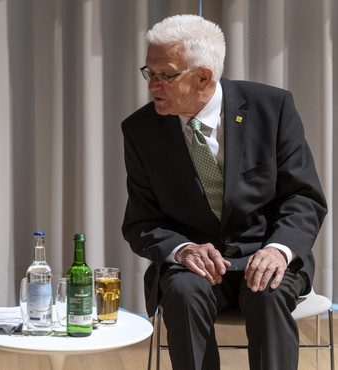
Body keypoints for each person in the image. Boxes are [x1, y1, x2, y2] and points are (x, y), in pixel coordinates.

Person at [121, 14, 327, 370]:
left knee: (270, 290)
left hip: (264, 253)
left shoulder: (271, 108)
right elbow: (141, 221)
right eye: (149, 73)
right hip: (194, 268)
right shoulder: (141, 130)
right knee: (183, 294)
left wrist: (279, 250)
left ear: (203, 75)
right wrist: (182, 250)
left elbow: (303, 196)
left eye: (165, 75)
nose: (153, 85)